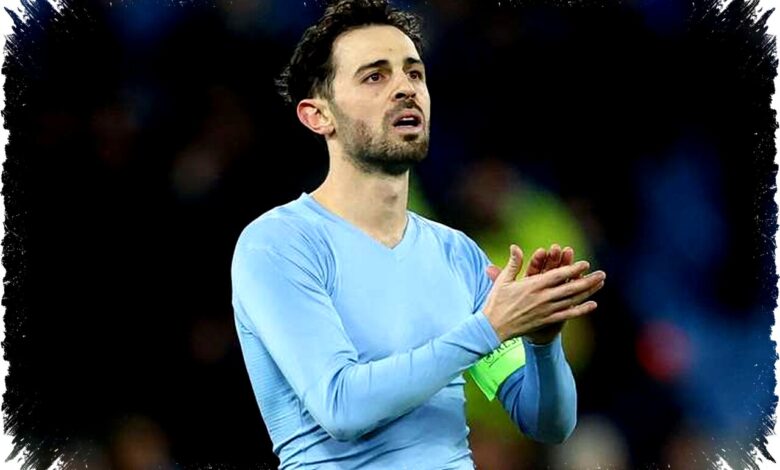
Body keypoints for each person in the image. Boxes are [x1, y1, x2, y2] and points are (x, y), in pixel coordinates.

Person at [230, 0, 606, 468]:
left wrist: (542, 343)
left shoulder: (457, 255)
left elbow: (548, 424)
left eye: (414, 74)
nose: (406, 89)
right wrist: (489, 327)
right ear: (318, 115)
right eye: (375, 76)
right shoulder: (278, 244)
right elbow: (341, 407)